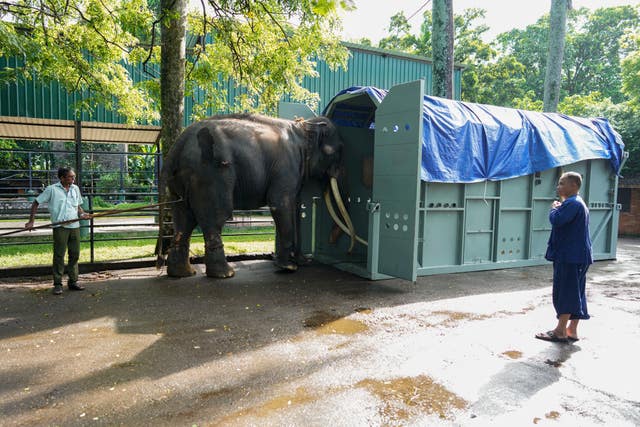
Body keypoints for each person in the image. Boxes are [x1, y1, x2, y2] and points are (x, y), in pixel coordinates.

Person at [536, 171, 593, 343]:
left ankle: (560, 330)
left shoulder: (571, 204)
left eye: (562, 183)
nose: (558, 186)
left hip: (570, 256)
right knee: (576, 292)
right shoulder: (577, 203)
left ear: (574, 185)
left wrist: (554, 209)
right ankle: (572, 330)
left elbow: (557, 220)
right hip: (578, 255)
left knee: (566, 292)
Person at [25, 167, 92, 295]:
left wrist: (83, 214)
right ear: (62, 178)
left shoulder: (75, 189)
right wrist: (31, 221)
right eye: (70, 177)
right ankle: (57, 283)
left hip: (74, 226)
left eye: (74, 177)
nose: (73, 179)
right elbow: (36, 202)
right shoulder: (52, 189)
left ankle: (73, 281)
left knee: (75, 254)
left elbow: (77, 206)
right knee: (59, 255)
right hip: (60, 227)